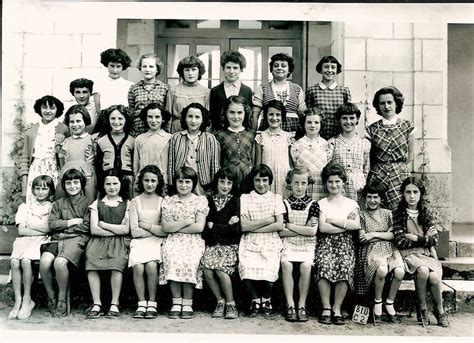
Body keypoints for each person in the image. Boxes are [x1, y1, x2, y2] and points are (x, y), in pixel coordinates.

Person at [392, 176, 449, 327]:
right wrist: (425, 238)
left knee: (435, 278)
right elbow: (400, 241)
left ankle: (439, 310)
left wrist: (414, 237)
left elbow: (435, 240)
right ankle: (422, 306)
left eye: (415, 192)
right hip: (409, 255)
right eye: (408, 192)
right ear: (403, 194)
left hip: (426, 254)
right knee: (423, 271)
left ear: (420, 194)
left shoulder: (426, 213)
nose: (412, 196)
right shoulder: (398, 214)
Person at [39, 169, 91, 317]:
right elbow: (53, 224)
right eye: (68, 183)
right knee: (44, 262)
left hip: (77, 240)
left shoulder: (88, 203)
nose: (72, 186)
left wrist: (65, 228)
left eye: (76, 182)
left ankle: (62, 299)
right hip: (57, 239)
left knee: (59, 262)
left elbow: (87, 226)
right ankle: (51, 297)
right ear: (63, 185)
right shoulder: (58, 204)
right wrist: (72, 222)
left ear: (82, 184)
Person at [314, 162, 360, 325]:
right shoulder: (320, 204)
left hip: (345, 244)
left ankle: (337, 308)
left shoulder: (351, 203)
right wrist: (345, 225)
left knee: (345, 265)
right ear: (325, 183)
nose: (334, 185)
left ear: (343, 183)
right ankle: (326, 307)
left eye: (337, 181)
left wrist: (334, 220)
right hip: (325, 243)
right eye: (330, 182)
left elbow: (357, 225)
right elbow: (322, 228)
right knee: (324, 264)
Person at [160, 167, 209, 319]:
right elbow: (166, 227)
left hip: (193, 241)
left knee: (190, 259)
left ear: (193, 183)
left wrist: (177, 225)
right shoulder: (169, 201)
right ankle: (176, 302)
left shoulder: (200, 201)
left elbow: (199, 227)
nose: (183, 185)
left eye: (187, 181)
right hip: (173, 240)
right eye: (180, 181)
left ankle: (187, 302)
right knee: (172, 256)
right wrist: (187, 221)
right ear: (175, 183)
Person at [238, 164, 284, 317]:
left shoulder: (276, 198)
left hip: (270, 239)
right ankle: (255, 300)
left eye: (265, 180)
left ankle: (266, 299)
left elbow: (278, 225)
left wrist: (254, 226)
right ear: (253, 181)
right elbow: (244, 226)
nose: (261, 184)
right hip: (250, 240)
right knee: (247, 269)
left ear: (270, 181)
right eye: (257, 180)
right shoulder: (245, 198)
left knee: (269, 271)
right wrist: (268, 220)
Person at [85, 170, 131, 319]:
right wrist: (116, 230)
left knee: (117, 262)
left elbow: (126, 229)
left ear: (120, 184)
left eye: (115, 183)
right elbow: (94, 229)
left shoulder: (127, 203)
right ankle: (97, 302)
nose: (112, 187)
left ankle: (114, 303)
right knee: (91, 259)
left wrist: (104, 224)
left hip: (118, 242)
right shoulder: (97, 203)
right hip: (98, 241)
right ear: (103, 186)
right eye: (108, 184)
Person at [9, 175, 55, 320]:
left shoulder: (52, 207)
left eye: (44, 188)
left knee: (26, 261)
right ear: (33, 190)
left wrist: (33, 226)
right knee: (14, 261)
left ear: (50, 190)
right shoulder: (25, 207)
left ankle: (28, 299)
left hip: (40, 241)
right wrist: (41, 228)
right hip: (24, 239)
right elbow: (21, 230)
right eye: (37, 188)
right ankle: (18, 300)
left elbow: (50, 228)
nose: (41, 192)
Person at [357, 183, 404, 323]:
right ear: (365, 198)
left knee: (400, 271)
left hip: (390, 249)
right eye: (369, 197)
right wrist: (380, 235)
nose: (372, 200)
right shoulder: (361, 215)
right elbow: (363, 238)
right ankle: (378, 303)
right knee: (382, 270)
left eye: (375, 197)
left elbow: (393, 236)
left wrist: (372, 235)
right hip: (371, 250)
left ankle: (389, 303)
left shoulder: (388, 214)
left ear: (381, 198)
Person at [280, 168, 319, 322]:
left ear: (308, 184)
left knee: (305, 266)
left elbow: (312, 232)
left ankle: (301, 305)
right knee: (286, 265)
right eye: (296, 182)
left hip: (307, 244)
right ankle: (290, 305)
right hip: (289, 243)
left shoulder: (313, 204)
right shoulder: (284, 203)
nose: (299, 186)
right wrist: (304, 228)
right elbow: (281, 233)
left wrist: (289, 225)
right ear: (290, 183)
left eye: (303, 183)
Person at [202, 167, 241, 320]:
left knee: (220, 269)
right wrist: (226, 225)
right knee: (207, 269)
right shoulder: (209, 201)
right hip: (212, 245)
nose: (225, 186)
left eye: (229, 183)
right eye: (222, 182)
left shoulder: (235, 201)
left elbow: (235, 231)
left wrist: (215, 226)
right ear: (216, 182)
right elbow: (206, 229)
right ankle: (220, 301)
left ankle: (231, 304)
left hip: (229, 246)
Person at [367, 86, 415, 211]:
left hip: (399, 175)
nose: (386, 106)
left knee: (400, 208)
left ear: (396, 103)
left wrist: (398, 168)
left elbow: (410, 156)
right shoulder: (372, 129)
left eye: (389, 102)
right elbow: (370, 156)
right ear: (378, 106)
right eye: (382, 103)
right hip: (378, 175)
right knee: (378, 208)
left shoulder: (407, 126)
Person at [129, 165, 167, 319]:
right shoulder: (135, 201)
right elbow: (134, 231)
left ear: (158, 182)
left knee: (151, 266)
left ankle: (152, 303)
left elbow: (164, 230)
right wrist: (153, 228)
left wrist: (145, 225)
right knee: (138, 267)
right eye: (146, 180)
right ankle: (141, 303)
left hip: (156, 241)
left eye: (153, 180)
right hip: (139, 242)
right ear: (141, 182)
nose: (149, 184)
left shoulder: (162, 201)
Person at [20, 95, 68, 205]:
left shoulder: (63, 129)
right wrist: (24, 186)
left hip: (55, 170)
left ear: (57, 110)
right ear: (39, 109)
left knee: (54, 202)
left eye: (52, 108)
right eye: (44, 107)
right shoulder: (31, 131)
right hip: (35, 171)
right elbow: (24, 159)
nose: (48, 111)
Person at [167, 103, 220, 196]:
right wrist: (172, 184)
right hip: (182, 182)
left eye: (197, 117)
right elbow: (171, 163)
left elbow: (214, 165)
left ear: (203, 119)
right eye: (190, 116)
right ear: (184, 118)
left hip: (202, 183)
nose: (193, 120)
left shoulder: (210, 138)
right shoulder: (176, 137)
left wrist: (214, 186)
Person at [252, 53, 306, 133]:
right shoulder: (263, 88)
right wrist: (253, 133)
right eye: (276, 65)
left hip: (292, 130)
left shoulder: (297, 89)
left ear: (289, 70)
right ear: (271, 69)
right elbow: (255, 115)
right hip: (268, 129)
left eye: (283, 66)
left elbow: (303, 115)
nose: (279, 68)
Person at [328, 102, 371, 202]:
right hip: (338, 188)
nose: (348, 122)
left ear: (357, 120)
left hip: (358, 188)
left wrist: (361, 182)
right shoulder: (332, 143)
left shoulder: (365, 143)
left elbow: (366, 168)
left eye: (352, 118)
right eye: (344, 118)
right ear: (339, 119)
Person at [214, 95, 256, 191]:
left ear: (245, 113)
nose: (236, 116)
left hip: (248, 180)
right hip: (228, 181)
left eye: (240, 113)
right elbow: (217, 162)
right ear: (226, 113)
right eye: (232, 112)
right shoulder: (219, 135)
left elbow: (254, 160)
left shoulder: (251, 134)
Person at [290, 108, 332, 201]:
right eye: (309, 122)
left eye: (316, 122)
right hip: (302, 188)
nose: (313, 125)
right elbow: (294, 167)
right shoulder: (296, 145)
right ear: (303, 124)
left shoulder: (327, 145)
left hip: (321, 188)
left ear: (321, 124)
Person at [255, 100, 294, 197]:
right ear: (265, 116)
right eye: (271, 114)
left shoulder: (289, 137)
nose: (274, 118)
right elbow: (258, 164)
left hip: (284, 179)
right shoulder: (261, 137)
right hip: (266, 180)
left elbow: (291, 163)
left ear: (282, 117)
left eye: (278, 115)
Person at [57, 105, 96, 202]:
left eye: (78, 121)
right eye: (72, 122)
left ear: (85, 121)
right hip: (69, 183)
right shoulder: (64, 143)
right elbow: (62, 166)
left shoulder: (92, 140)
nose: (75, 124)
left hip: (87, 182)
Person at [96, 105, 134, 198]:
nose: (116, 122)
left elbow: (135, 163)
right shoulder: (101, 141)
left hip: (127, 179)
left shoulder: (132, 140)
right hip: (108, 180)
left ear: (126, 120)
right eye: (113, 118)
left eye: (120, 118)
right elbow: (98, 165)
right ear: (108, 120)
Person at [210, 50, 253, 131]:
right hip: (220, 134)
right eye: (228, 67)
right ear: (223, 68)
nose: (231, 71)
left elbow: (248, 116)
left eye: (235, 68)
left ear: (241, 69)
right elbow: (213, 117)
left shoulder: (247, 91)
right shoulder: (215, 91)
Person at [128, 53, 169, 137]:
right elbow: (131, 112)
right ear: (140, 68)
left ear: (157, 69)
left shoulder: (165, 88)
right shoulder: (134, 88)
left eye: (151, 66)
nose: (147, 69)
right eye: (144, 66)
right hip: (138, 131)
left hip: (158, 132)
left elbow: (166, 112)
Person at [133, 103, 172, 189]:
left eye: (157, 117)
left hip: (164, 182)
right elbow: (136, 166)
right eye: (150, 117)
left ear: (163, 119)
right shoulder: (139, 139)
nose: (153, 120)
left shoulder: (170, 138)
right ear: (146, 119)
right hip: (145, 183)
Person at [167, 56, 210, 133]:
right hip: (177, 130)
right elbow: (168, 115)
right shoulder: (173, 90)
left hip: (198, 131)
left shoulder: (206, 92)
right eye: (187, 70)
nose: (190, 73)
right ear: (182, 72)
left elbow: (207, 118)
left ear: (199, 71)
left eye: (194, 70)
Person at [93, 48, 133, 112]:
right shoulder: (99, 84)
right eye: (112, 66)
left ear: (123, 67)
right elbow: (98, 110)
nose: (115, 70)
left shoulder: (130, 85)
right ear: (107, 65)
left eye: (118, 66)